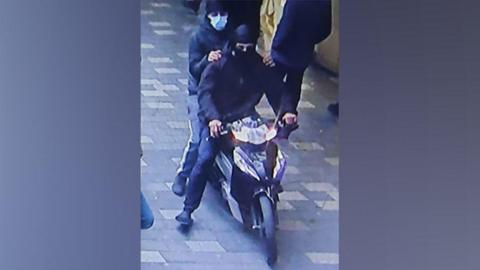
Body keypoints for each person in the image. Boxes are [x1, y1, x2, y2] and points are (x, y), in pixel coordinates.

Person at [175, 24, 297, 226]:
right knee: (205, 157)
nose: (245, 52)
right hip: (218, 120)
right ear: (232, 45)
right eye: (240, 47)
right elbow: (205, 94)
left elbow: (278, 90)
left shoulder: (258, 65)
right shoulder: (218, 64)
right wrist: (213, 118)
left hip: (246, 120)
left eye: (249, 48)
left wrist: (287, 111)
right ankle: (188, 209)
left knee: (269, 150)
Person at [172, 0, 232, 197]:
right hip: (198, 93)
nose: (220, 19)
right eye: (215, 15)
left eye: (222, 14)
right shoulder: (199, 37)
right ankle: (182, 175)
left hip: (223, 93)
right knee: (197, 140)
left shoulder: (231, 35)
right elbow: (193, 68)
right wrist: (207, 59)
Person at [263, 0, 332, 114]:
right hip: (304, 50)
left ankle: (282, 113)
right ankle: (289, 115)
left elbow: (286, 25)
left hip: (284, 50)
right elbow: (326, 29)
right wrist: (309, 41)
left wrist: (275, 49)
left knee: (271, 82)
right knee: (294, 83)